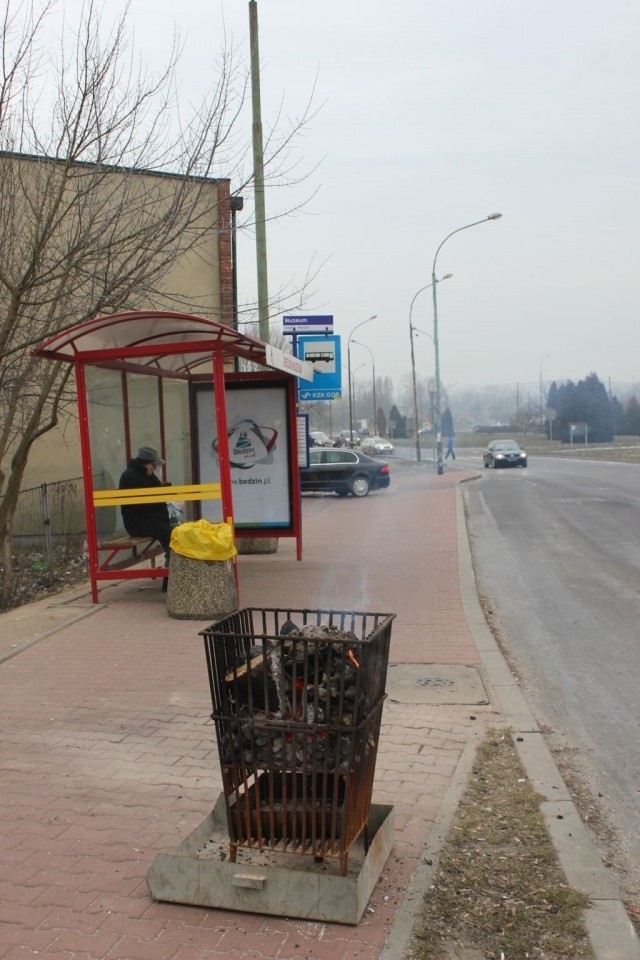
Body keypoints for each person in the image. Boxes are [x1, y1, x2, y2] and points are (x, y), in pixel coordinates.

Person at [119, 446, 172, 571]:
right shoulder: (130, 477)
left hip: (151, 520)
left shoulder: (148, 476)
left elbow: (158, 494)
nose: (155, 468)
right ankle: (170, 574)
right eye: (154, 465)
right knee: (170, 535)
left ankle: (171, 570)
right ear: (146, 464)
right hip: (137, 523)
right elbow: (138, 506)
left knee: (174, 531)